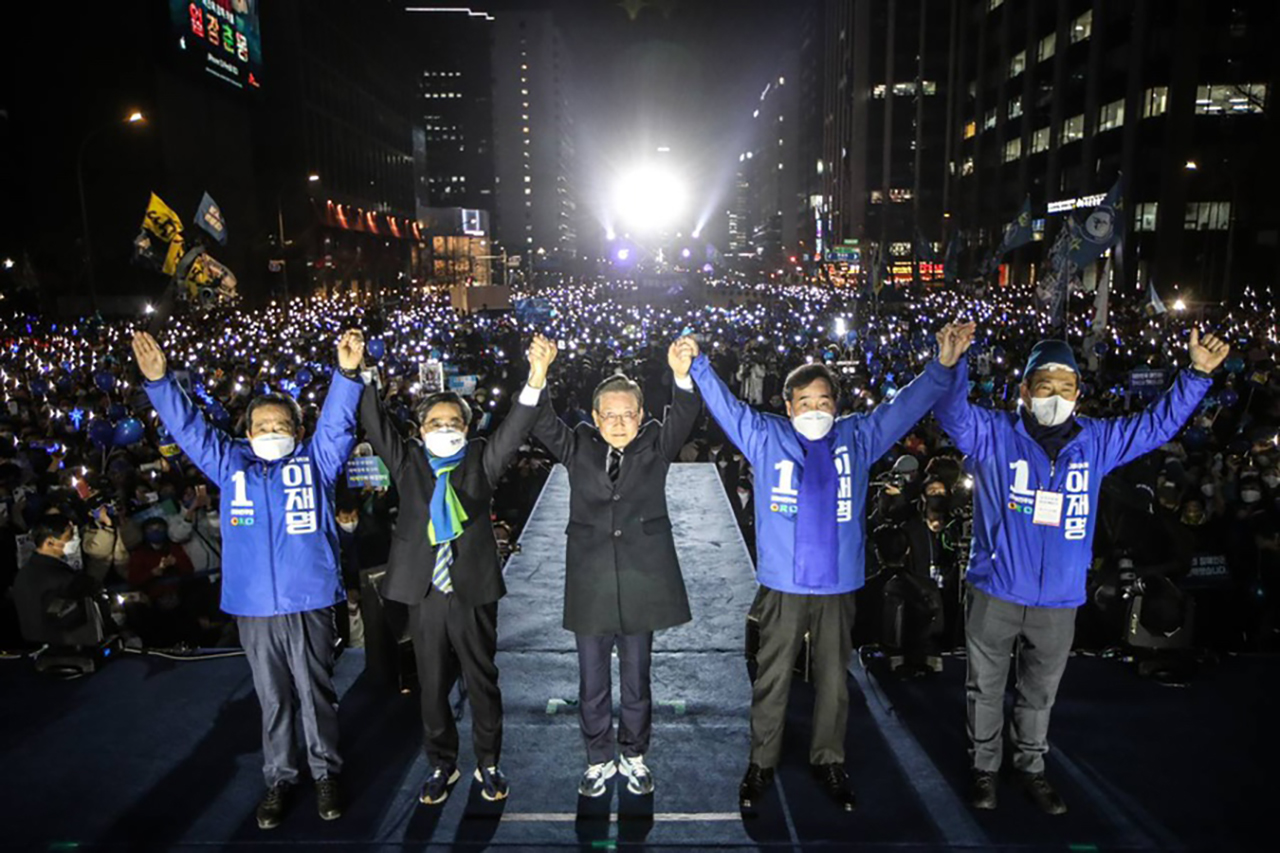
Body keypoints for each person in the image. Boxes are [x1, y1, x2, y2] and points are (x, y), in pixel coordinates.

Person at [932, 329, 1229, 815]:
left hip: (1061, 598)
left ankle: (1030, 767)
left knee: (1040, 693)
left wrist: (1196, 376)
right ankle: (984, 770)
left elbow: (1155, 426)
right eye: (1044, 386)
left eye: (1065, 388)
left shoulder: (1098, 441)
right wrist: (949, 368)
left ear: (1078, 394)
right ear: (1023, 390)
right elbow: (952, 415)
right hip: (998, 591)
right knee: (984, 688)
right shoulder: (993, 433)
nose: (1055, 397)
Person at [683, 323, 974, 813]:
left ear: (836, 406)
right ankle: (762, 761)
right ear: (787, 405)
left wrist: (941, 366)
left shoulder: (858, 436)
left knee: (834, 679)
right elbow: (728, 407)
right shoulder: (765, 436)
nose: (815, 410)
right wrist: (699, 364)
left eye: (824, 401)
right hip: (783, 584)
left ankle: (829, 758)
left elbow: (903, 406)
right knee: (772, 676)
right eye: (805, 401)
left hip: (838, 585)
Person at [133, 328, 365, 830]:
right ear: (247, 434)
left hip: (308, 600)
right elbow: (192, 430)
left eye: (281, 424)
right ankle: (280, 778)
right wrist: (159, 383)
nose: (270, 432)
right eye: (261, 426)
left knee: (315, 692)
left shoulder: (316, 464)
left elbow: (337, 424)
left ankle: (326, 773)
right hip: (254, 605)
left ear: (297, 432)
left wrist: (345, 374)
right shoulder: (230, 464)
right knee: (273, 697)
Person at [359, 335, 550, 806]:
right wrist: (363, 375)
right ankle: (442, 764)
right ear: (420, 429)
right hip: (424, 592)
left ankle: (489, 762)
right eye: (434, 422)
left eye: (453, 421)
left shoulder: (482, 461)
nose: (444, 427)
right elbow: (373, 422)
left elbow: (517, 424)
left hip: (472, 589)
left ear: (467, 426)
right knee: (431, 685)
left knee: (482, 681)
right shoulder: (407, 464)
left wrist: (536, 378)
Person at [529, 340, 701, 799]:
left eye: (628, 414)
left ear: (642, 415)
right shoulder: (577, 446)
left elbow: (684, 414)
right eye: (610, 415)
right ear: (594, 415)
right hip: (590, 585)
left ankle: (635, 755)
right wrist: (539, 372)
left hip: (643, 584)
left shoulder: (657, 445)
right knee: (591, 684)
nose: (620, 423)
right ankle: (598, 758)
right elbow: (540, 419)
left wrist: (681, 374)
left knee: (637, 681)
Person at [12, 514, 104, 648]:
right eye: (69, 537)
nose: (74, 540)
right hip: (65, 648)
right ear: (50, 542)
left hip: (37, 646)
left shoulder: (25, 572)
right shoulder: (60, 578)